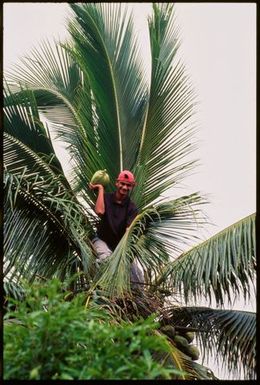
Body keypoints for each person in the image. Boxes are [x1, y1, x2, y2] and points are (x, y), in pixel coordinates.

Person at [89, 170, 144, 287]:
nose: (124, 187)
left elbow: (128, 231)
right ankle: (103, 289)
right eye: (122, 184)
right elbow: (99, 211)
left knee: (137, 275)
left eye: (128, 185)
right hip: (101, 240)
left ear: (132, 187)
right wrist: (100, 189)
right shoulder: (106, 198)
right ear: (117, 183)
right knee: (105, 260)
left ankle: (137, 300)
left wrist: (123, 253)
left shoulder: (132, 208)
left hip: (119, 246)